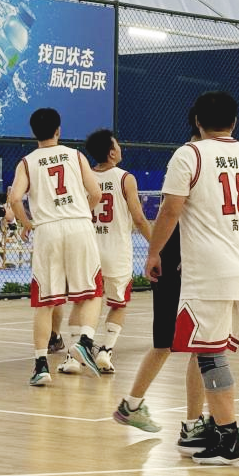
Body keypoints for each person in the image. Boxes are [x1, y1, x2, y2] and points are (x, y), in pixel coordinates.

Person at [144, 91, 239, 465]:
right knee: (210, 350)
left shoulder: (190, 154)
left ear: (197, 120)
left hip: (210, 272)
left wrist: (154, 252)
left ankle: (230, 436)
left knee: (211, 355)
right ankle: (215, 429)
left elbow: (170, 210)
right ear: (235, 121)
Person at [113, 108, 208, 454]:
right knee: (202, 344)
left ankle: (132, 404)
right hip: (182, 259)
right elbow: (170, 210)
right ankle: (194, 425)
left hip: (177, 256)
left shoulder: (196, 157)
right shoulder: (193, 159)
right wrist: (158, 252)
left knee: (167, 343)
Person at [7, 107, 105, 386]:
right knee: (92, 291)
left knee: (45, 302)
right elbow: (96, 193)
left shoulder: (27, 162)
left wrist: (27, 223)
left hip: (47, 229)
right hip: (78, 225)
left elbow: (15, 198)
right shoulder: (75, 155)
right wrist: (81, 212)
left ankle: (41, 366)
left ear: (33, 132)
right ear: (58, 130)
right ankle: (85, 340)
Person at [77, 128, 152, 375]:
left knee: (85, 302)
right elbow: (139, 218)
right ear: (111, 153)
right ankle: (105, 351)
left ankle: (73, 356)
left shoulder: (84, 177)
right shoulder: (125, 178)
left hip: (89, 249)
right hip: (116, 251)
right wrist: (156, 244)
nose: (120, 148)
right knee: (119, 304)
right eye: (117, 145)